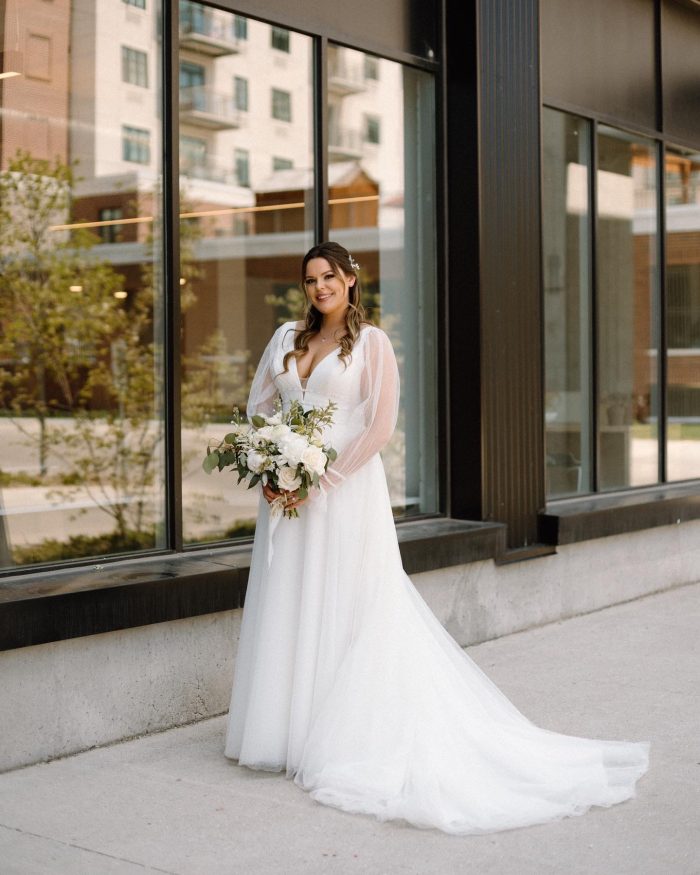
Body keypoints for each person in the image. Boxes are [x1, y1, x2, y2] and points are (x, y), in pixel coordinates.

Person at [224, 241, 649, 835]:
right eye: (310, 278)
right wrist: (272, 466)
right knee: (292, 599)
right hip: (287, 496)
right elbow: (259, 408)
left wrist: (322, 481)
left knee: (350, 603)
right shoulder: (286, 339)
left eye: (329, 276)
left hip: (342, 494)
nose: (319, 287)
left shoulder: (371, 344)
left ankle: (344, 731)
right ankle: (288, 728)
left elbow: (379, 427)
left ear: (350, 279)